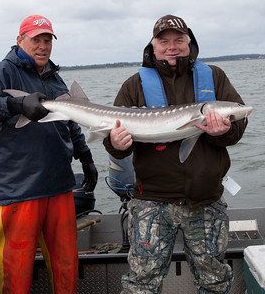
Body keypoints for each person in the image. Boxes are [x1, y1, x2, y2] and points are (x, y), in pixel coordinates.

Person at [103, 15, 248, 294]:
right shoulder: (134, 85)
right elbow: (115, 141)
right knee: (141, 284)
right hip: (151, 201)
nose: (172, 47)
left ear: (189, 43)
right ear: (153, 46)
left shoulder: (214, 77)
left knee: (214, 281)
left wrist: (224, 132)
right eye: (164, 40)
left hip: (205, 199)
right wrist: (116, 144)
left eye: (179, 40)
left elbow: (238, 126)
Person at [0, 14, 98, 294]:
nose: (43, 46)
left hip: (59, 186)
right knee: (14, 270)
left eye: (48, 40)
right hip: (17, 191)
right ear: (20, 40)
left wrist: (86, 158)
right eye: (36, 39)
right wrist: (15, 104)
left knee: (66, 265)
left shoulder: (55, 80)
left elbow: (70, 124)